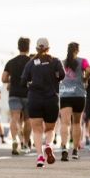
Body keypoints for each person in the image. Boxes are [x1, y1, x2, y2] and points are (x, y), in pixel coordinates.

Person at [21, 38, 66, 168]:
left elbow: (23, 81)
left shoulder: (30, 63)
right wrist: (54, 80)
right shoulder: (55, 61)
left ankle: (40, 157)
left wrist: (31, 83)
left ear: (36, 48)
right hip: (51, 99)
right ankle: (48, 145)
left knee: (37, 130)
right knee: (50, 128)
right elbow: (62, 75)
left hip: (35, 99)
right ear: (48, 48)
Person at [58, 42, 90, 161]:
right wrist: (85, 79)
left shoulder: (62, 62)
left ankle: (64, 148)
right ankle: (75, 150)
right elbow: (89, 70)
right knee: (77, 123)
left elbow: (57, 75)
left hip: (65, 94)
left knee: (65, 123)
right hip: (79, 94)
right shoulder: (83, 61)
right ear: (78, 50)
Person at [2, 37, 31, 155]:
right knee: (28, 119)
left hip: (14, 93)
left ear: (18, 47)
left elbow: (3, 78)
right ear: (28, 48)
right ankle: (25, 143)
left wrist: (11, 80)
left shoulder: (11, 62)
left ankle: (14, 140)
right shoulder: (32, 61)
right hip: (28, 94)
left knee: (15, 118)